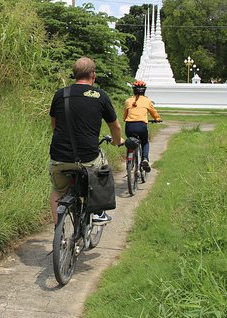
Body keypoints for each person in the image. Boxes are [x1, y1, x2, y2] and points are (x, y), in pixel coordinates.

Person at [48, 57, 124, 226]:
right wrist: (117, 142)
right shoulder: (100, 96)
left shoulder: (61, 94)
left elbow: (54, 125)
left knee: (58, 190)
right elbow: (116, 128)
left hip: (59, 157)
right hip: (88, 158)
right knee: (102, 164)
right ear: (93, 75)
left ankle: (57, 231)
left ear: (74, 75)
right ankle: (98, 212)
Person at [123, 80, 161, 173]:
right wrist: (157, 119)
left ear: (134, 90)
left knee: (130, 142)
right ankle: (145, 159)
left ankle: (129, 159)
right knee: (145, 142)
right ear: (144, 91)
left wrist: (126, 119)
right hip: (141, 126)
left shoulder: (128, 101)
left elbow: (124, 116)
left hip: (129, 126)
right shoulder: (147, 101)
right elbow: (154, 113)